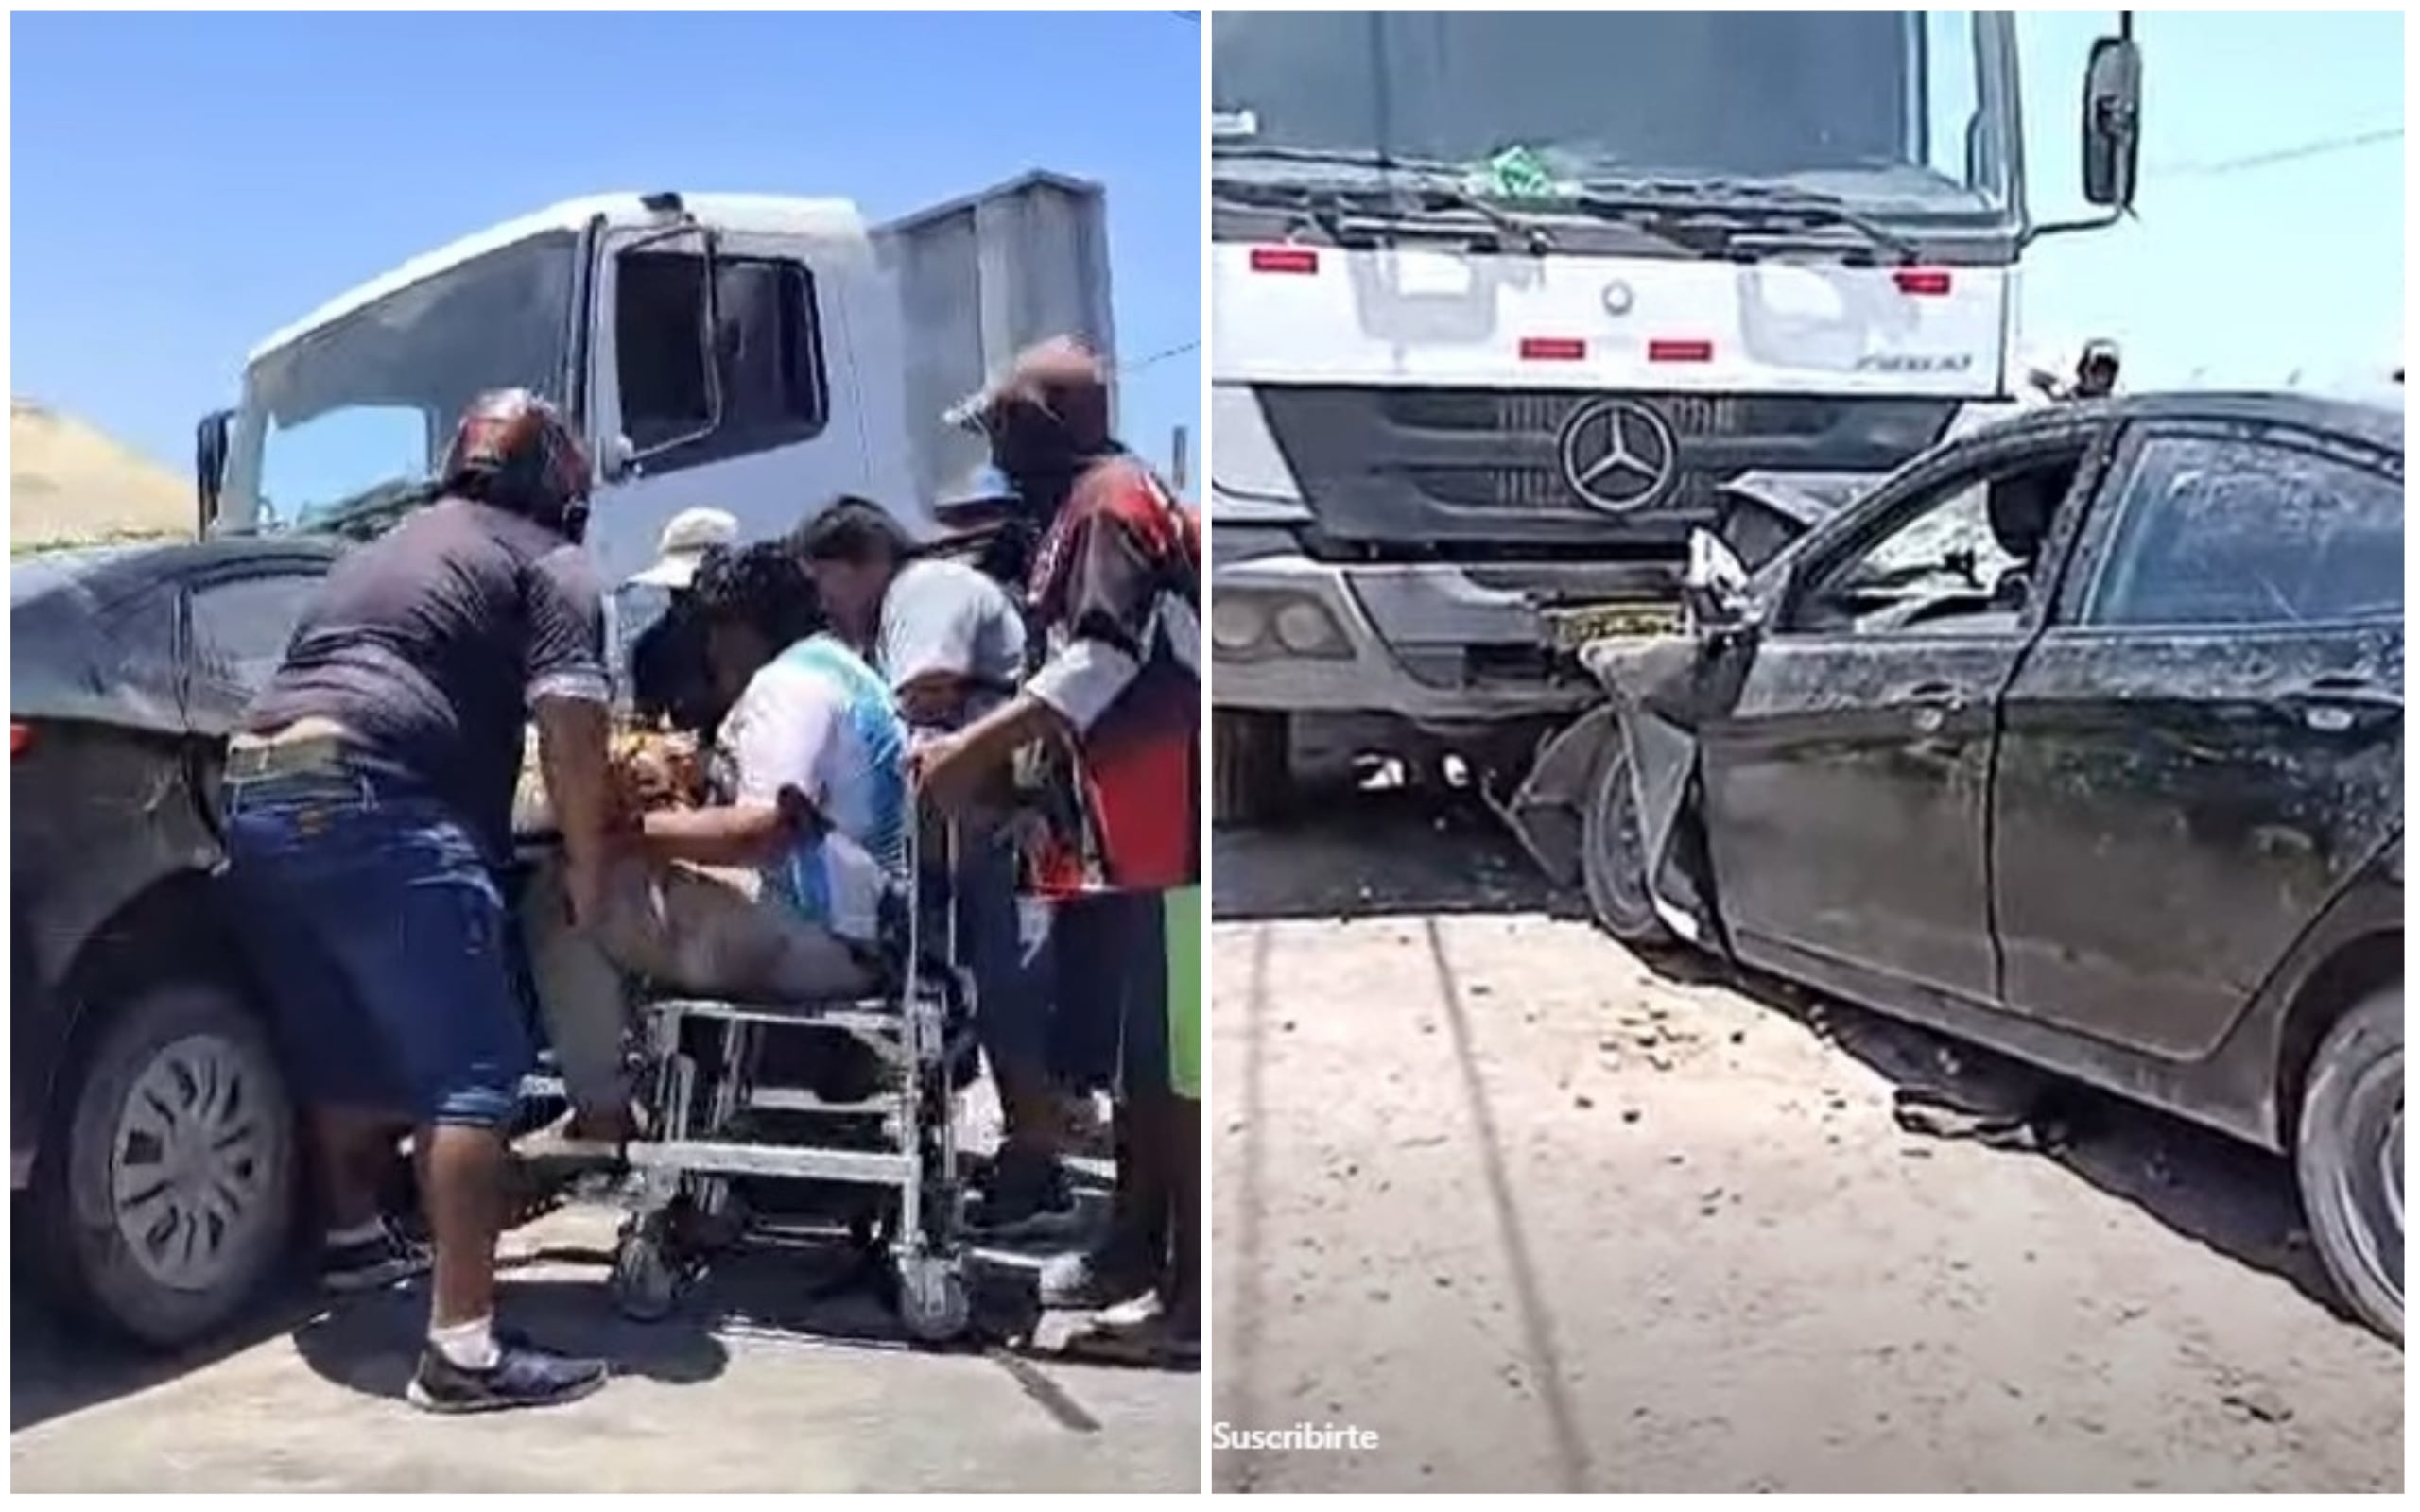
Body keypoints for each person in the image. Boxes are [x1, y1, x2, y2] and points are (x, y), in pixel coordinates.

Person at [217, 388, 621, 1414]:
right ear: (562, 483)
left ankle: (355, 1244)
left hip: (260, 789)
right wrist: (588, 864)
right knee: (475, 1074)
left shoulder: (383, 548)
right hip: (380, 794)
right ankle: (463, 1350)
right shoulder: (547, 559)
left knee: (343, 1042)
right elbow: (571, 725)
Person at [916, 337, 1202, 1366]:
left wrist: (974, 748)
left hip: (1172, 829)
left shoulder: (1109, 502)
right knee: (1143, 1062)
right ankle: (1133, 1247)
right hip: (1133, 831)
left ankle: (1189, 1305)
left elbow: (1101, 658)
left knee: (1177, 1069)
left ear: (1031, 425)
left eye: (997, 428)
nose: (993, 451)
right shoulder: (1087, 505)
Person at [518, 541, 909, 1146]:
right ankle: (681, 1136)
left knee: (563, 897)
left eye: (711, 632)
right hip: (860, 934)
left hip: (817, 940)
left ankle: (601, 1118)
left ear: (736, 629)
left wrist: (622, 839)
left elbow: (760, 830)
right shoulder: (841, 668)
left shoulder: (789, 685)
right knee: (634, 892)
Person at [793, 493, 1074, 1235]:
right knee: (970, 985)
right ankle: (996, 1153)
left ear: (861, 563)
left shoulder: (926, 590)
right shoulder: (913, 602)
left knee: (1006, 988)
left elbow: (925, 701)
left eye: (825, 583)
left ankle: (1037, 1160)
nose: (825, 605)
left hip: (1000, 818)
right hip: (978, 819)